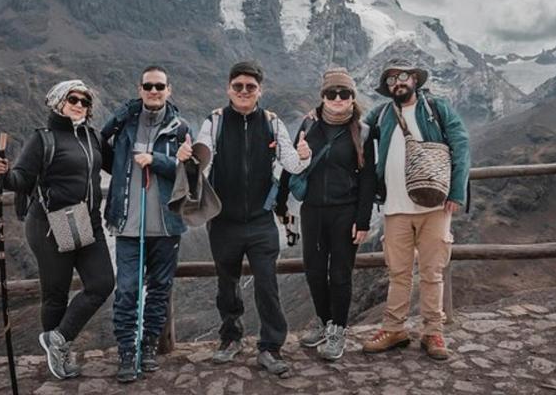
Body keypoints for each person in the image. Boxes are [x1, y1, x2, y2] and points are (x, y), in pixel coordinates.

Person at [177, 60, 311, 377]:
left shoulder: (273, 123)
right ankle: (230, 338)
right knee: (227, 284)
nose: (244, 91)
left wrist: (304, 157)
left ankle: (271, 347)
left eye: (250, 86)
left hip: (261, 220)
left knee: (267, 284)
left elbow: (292, 164)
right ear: (229, 89)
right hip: (224, 220)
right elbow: (203, 159)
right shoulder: (215, 122)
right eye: (238, 86)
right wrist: (190, 159)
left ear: (259, 90)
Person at [0, 80, 114, 380]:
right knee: (56, 294)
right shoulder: (43, 139)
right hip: (50, 222)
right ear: (59, 102)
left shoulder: (92, 137)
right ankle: (58, 355)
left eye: (85, 101)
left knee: (102, 283)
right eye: (73, 99)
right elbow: (21, 179)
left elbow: (119, 165)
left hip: (85, 219)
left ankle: (57, 339)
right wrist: (4, 176)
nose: (80, 105)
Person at [361, 59, 470, 361]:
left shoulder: (436, 108)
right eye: (391, 79)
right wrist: (317, 115)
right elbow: (355, 126)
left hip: (434, 205)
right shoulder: (382, 113)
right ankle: (394, 329)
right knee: (398, 272)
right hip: (395, 207)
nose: (398, 83)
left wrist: (457, 191)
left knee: (432, 271)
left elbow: (461, 145)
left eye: (403, 76)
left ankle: (433, 331)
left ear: (415, 80)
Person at [276, 67, 376, 361]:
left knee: (341, 273)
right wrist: (281, 200)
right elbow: (292, 161)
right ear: (323, 96)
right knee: (315, 270)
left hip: (346, 211)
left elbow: (368, 178)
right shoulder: (309, 125)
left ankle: (338, 330)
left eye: (344, 93)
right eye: (332, 93)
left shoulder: (363, 131)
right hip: (313, 211)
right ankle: (324, 320)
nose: (338, 98)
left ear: (352, 97)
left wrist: (362, 219)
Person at [101, 65, 192, 383]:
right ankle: (127, 351)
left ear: (169, 90)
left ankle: (148, 345)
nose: (154, 91)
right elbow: (101, 146)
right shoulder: (125, 125)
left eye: (159, 86)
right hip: (128, 225)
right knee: (127, 290)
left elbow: (190, 172)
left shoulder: (181, 128)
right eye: (148, 86)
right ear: (139, 89)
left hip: (166, 226)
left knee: (159, 289)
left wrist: (157, 160)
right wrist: (121, 112)